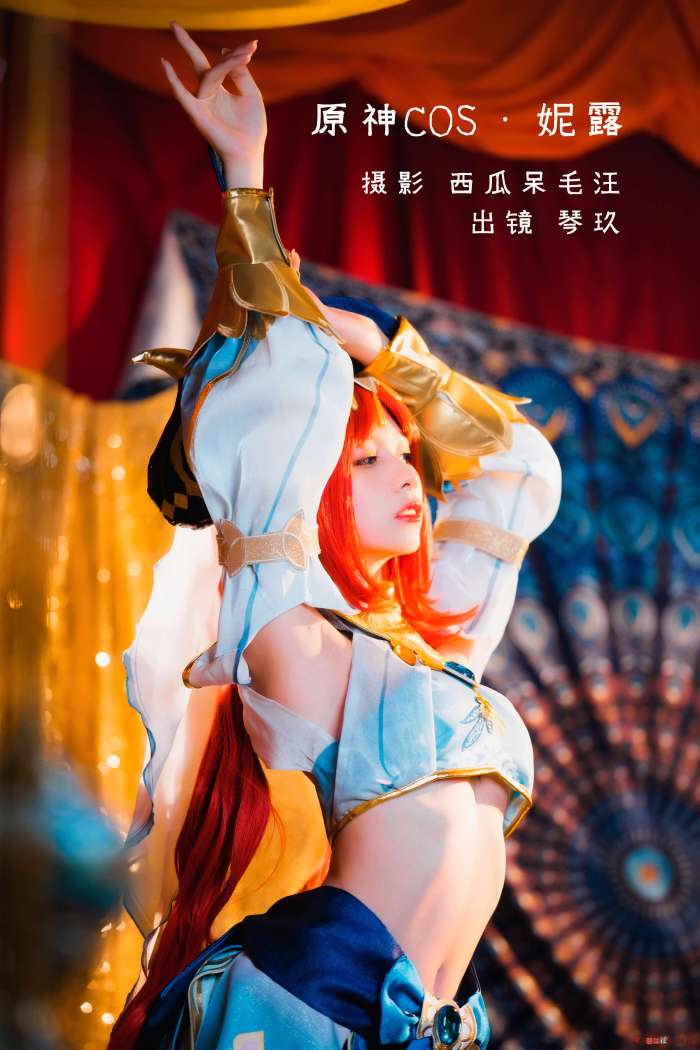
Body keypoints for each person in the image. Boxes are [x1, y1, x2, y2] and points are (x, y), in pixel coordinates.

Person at [109, 22, 562, 1050]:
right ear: (306, 483)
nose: (409, 479)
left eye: (409, 460)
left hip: (426, 1021)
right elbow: (274, 391)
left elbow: (519, 468)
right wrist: (246, 173)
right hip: (315, 1003)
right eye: (366, 462)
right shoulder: (290, 629)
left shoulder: (440, 645)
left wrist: (397, 360)